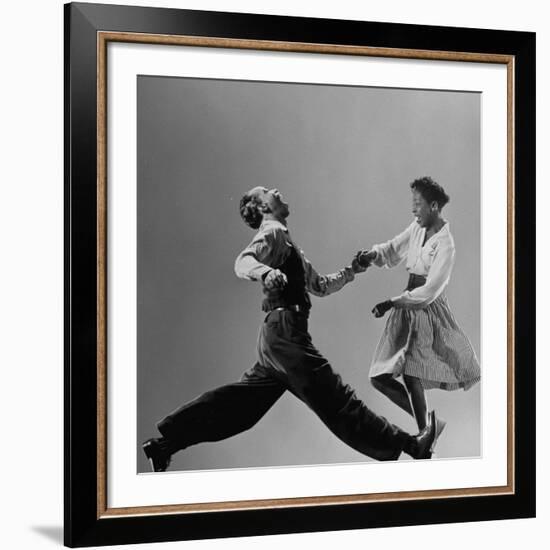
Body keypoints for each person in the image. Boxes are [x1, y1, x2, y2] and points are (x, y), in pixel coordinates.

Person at [142, 186, 436, 472]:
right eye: (268, 191)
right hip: (285, 335)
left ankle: (164, 446)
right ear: (263, 207)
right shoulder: (272, 233)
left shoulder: (287, 243)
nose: (277, 190)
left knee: (239, 409)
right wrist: (267, 273)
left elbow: (320, 286)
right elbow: (242, 262)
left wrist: (352, 271)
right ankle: (412, 445)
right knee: (336, 399)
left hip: (274, 339)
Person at [357, 176, 480, 443]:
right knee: (379, 377)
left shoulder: (446, 244)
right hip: (405, 305)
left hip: (426, 310)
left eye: (418, 204)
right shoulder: (416, 227)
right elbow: (392, 250)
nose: (413, 210)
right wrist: (371, 255)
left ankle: (427, 431)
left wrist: (391, 302)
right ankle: (429, 425)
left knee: (412, 374)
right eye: (412, 203)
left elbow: (429, 292)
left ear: (434, 206)